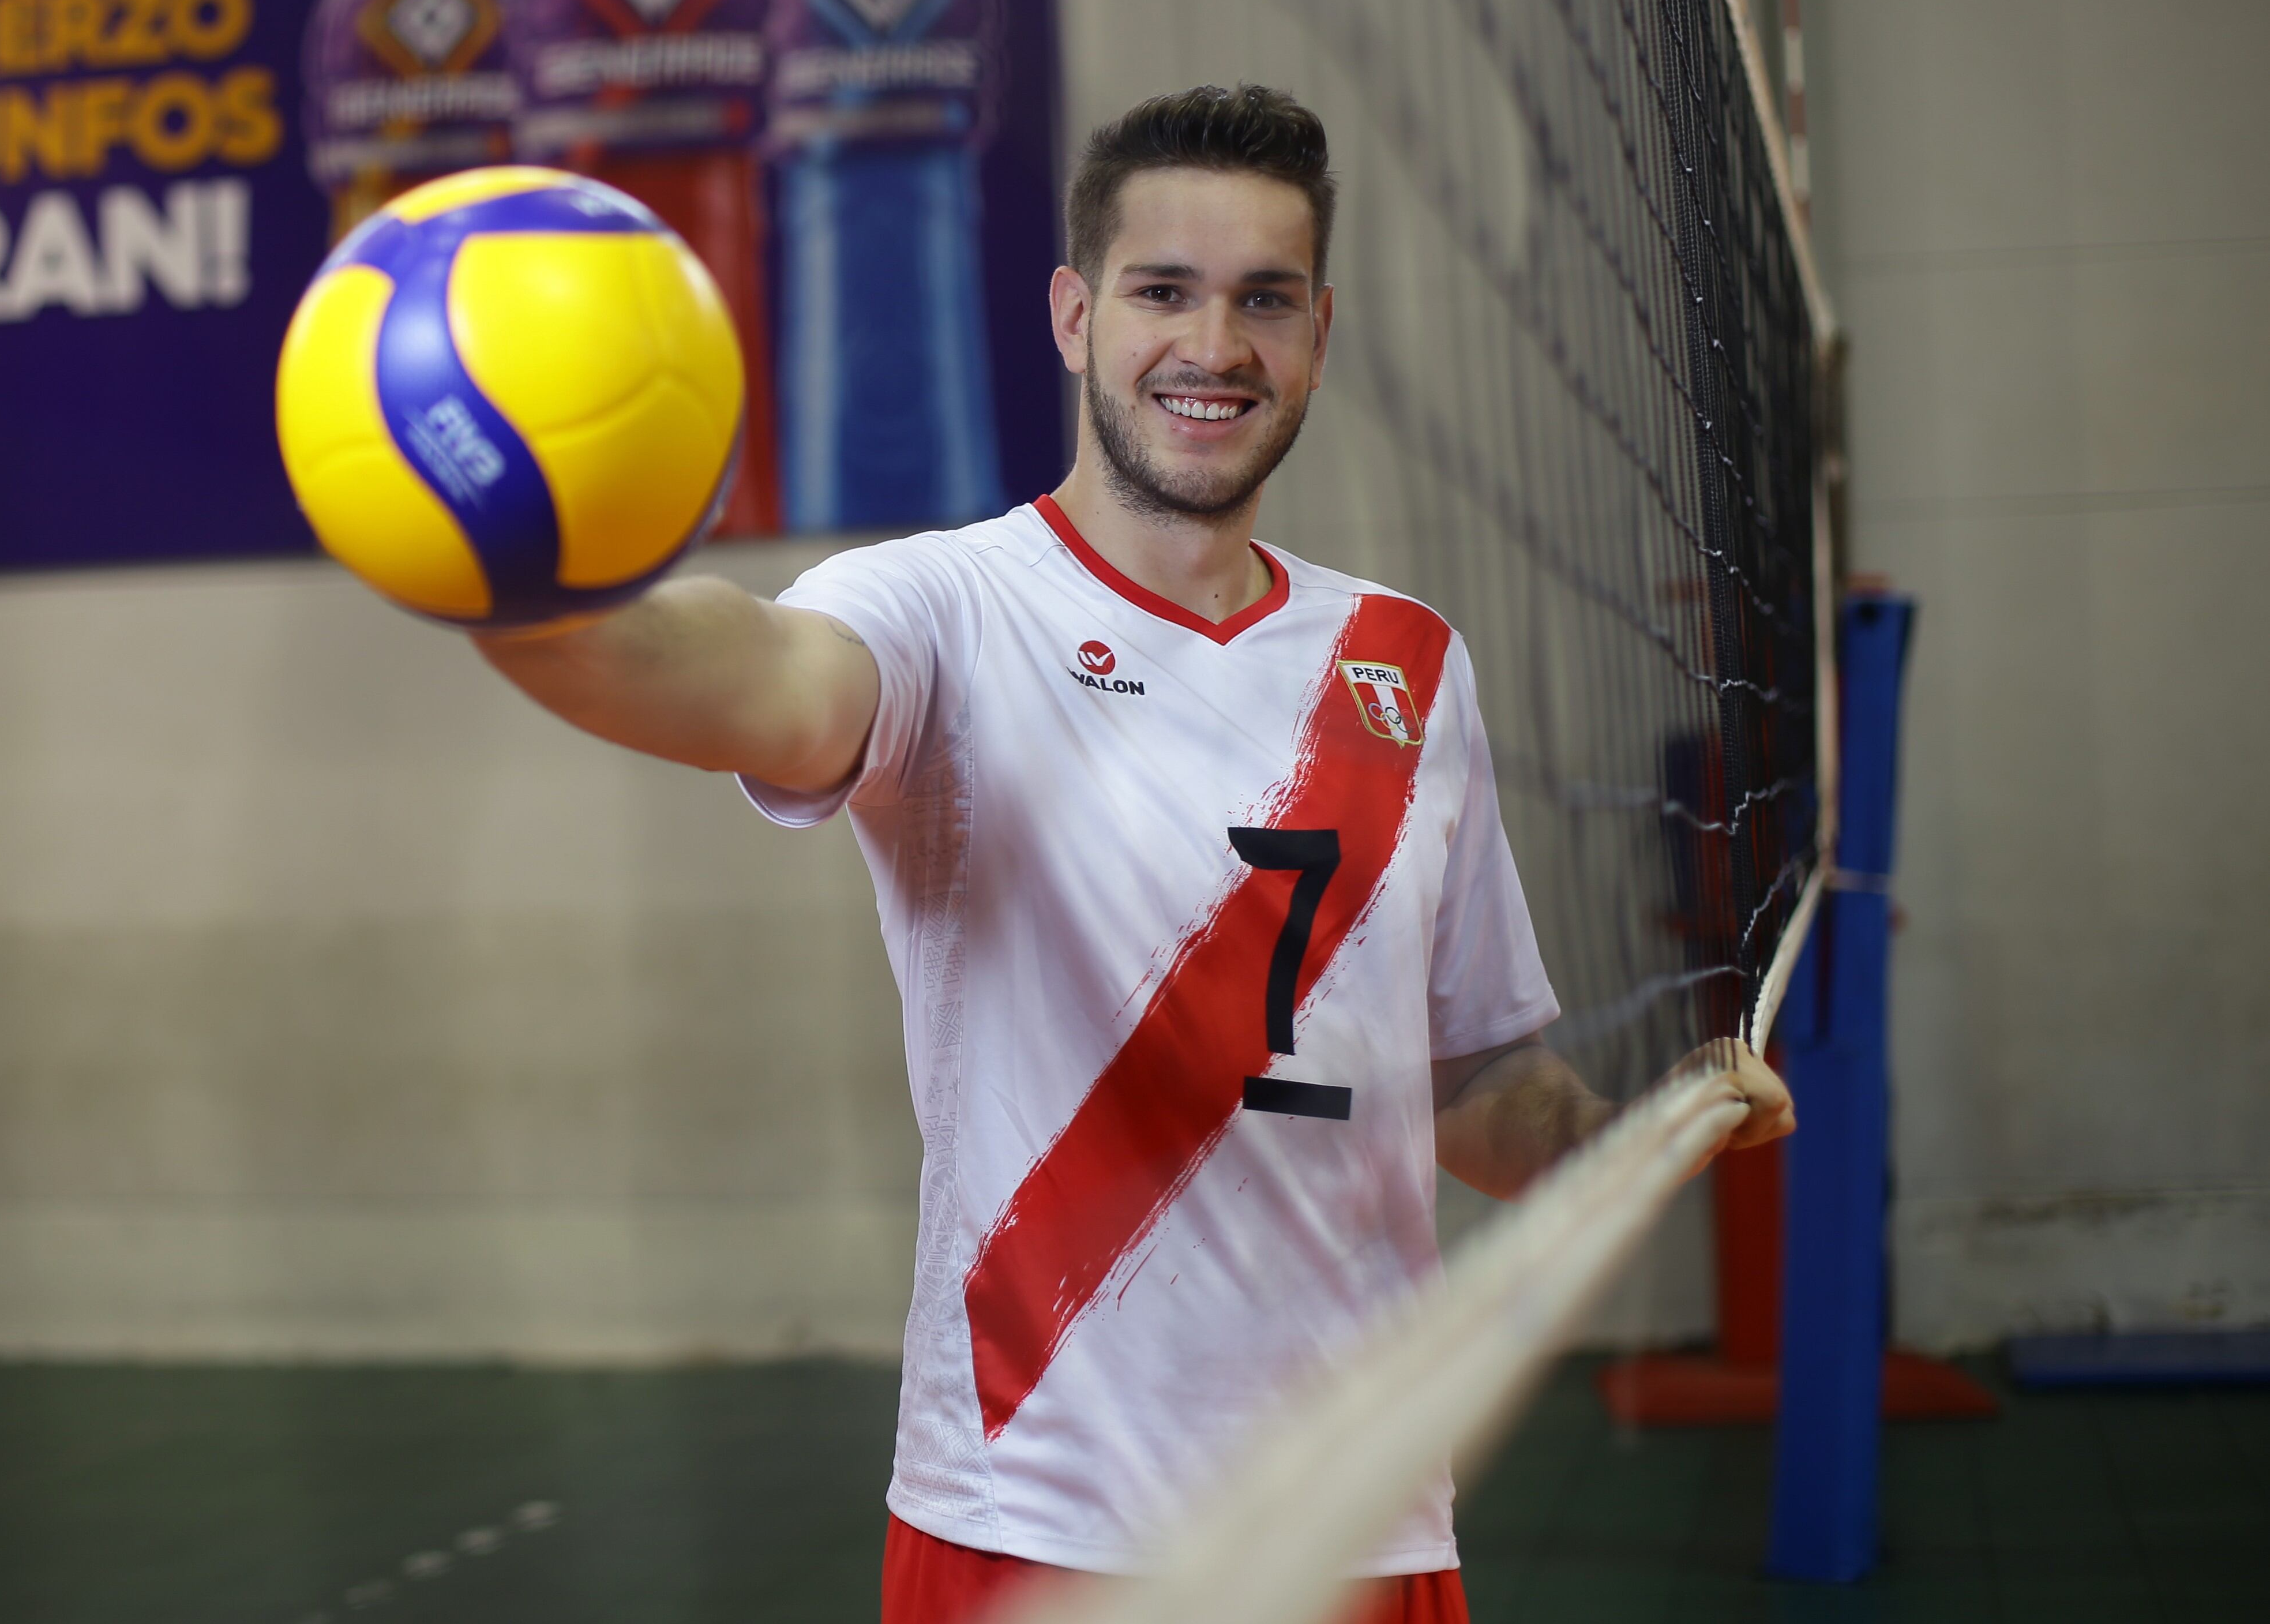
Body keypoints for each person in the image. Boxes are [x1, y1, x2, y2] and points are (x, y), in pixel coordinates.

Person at [477, 84, 1795, 1624]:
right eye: (1162, 291)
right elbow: (743, 676)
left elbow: (1472, 1086)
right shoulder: (945, 609)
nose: (1213, 348)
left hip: (1361, 1524)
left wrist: (1635, 1139)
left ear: (1320, 329)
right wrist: (527, 596)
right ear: (1072, 313)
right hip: (1033, 1518)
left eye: (1264, 300)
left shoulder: (1408, 662)